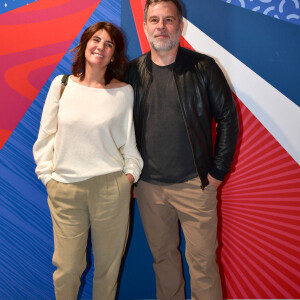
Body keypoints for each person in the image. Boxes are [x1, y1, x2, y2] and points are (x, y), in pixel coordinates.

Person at [125, 0, 239, 299]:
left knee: (202, 264)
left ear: (180, 25)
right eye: (154, 20)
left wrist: (217, 173)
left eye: (168, 20)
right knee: (163, 261)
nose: (161, 26)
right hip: (149, 188)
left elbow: (228, 118)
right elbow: (118, 129)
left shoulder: (204, 67)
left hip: (195, 185)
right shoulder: (131, 73)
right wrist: (130, 177)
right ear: (146, 25)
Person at [33, 22, 143, 299]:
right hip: (66, 189)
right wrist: (48, 177)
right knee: (68, 268)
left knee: (108, 269)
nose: (101, 47)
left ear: (114, 54)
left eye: (109, 44)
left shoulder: (123, 92)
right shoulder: (62, 85)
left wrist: (128, 176)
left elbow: (129, 145)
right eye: (97, 40)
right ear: (85, 44)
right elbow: (45, 137)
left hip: (111, 189)